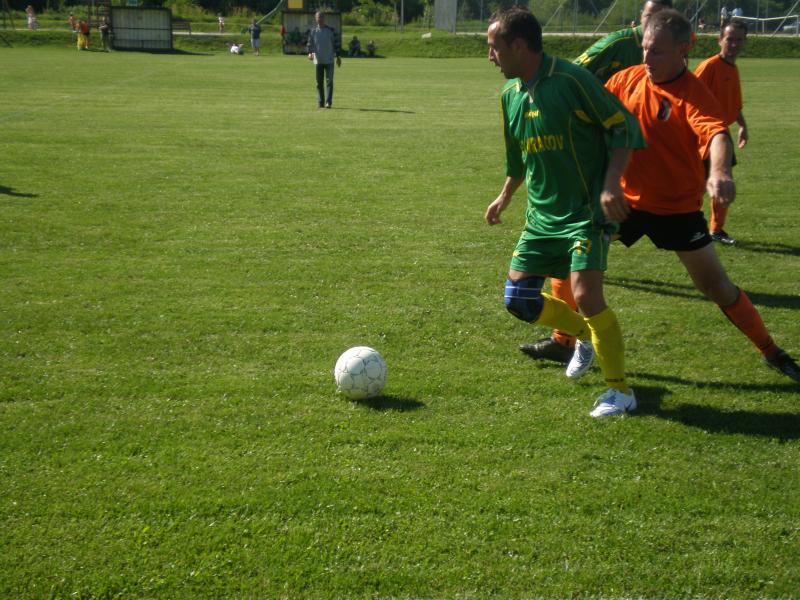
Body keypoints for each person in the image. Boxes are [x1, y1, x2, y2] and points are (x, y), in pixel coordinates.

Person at [596, 9, 800, 383]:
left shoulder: (693, 93)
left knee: (715, 286)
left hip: (676, 209)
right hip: (626, 202)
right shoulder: (626, 80)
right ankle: (562, 338)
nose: (646, 59)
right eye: (644, 49)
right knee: (578, 255)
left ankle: (771, 350)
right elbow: (594, 116)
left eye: (656, 52)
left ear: (682, 50)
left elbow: (717, 134)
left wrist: (720, 171)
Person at [485, 7, 646, 417]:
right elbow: (517, 157)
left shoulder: (572, 80)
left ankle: (620, 391)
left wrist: (611, 184)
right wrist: (504, 197)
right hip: (540, 218)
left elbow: (623, 125)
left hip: (583, 212)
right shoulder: (510, 96)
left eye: (494, 47)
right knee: (518, 299)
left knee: (586, 296)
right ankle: (584, 338)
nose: (490, 56)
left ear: (518, 46)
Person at [522, 0, 672, 365]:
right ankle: (567, 340)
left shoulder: (669, 52)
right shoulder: (617, 45)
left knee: (584, 240)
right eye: (650, 11)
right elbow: (572, 74)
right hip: (599, 151)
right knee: (575, 240)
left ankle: (575, 341)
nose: (654, 19)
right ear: (641, 16)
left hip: (635, 152)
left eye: (663, 12)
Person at [694, 20, 748, 245]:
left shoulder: (732, 68)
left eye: (739, 40)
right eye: (729, 39)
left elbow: (733, 103)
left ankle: (715, 229)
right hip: (705, 135)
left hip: (721, 134)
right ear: (720, 40)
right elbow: (688, 96)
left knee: (722, 183)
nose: (734, 44)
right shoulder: (709, 66)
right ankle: (689, 227)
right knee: (697, 186)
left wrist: (743, 125)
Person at [307, 11, 341, 109]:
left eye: (321, 17)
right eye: (318, 17)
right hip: (318, 60)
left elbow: (336, 44)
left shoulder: (331, 30)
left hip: (329, 60)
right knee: (319, 82)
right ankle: (320, 102)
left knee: (329, 81)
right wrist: (309, 53)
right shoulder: (313, 31)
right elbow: (310, 44)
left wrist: (338, 57)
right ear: (315, 19)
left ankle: (328, 102)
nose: (320, 19)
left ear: (324, 18)